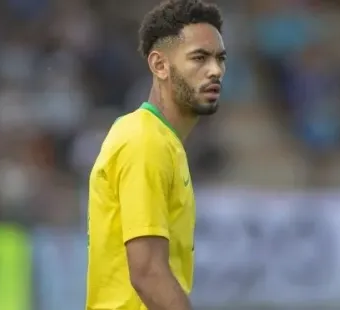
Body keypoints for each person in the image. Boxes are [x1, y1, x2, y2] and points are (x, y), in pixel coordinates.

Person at [85, 0, 226, 309]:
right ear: (160, 65)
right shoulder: (145, 141)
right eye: (199, 58)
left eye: (219, 58)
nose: (215, 70)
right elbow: (148, 272)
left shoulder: (163, 142)